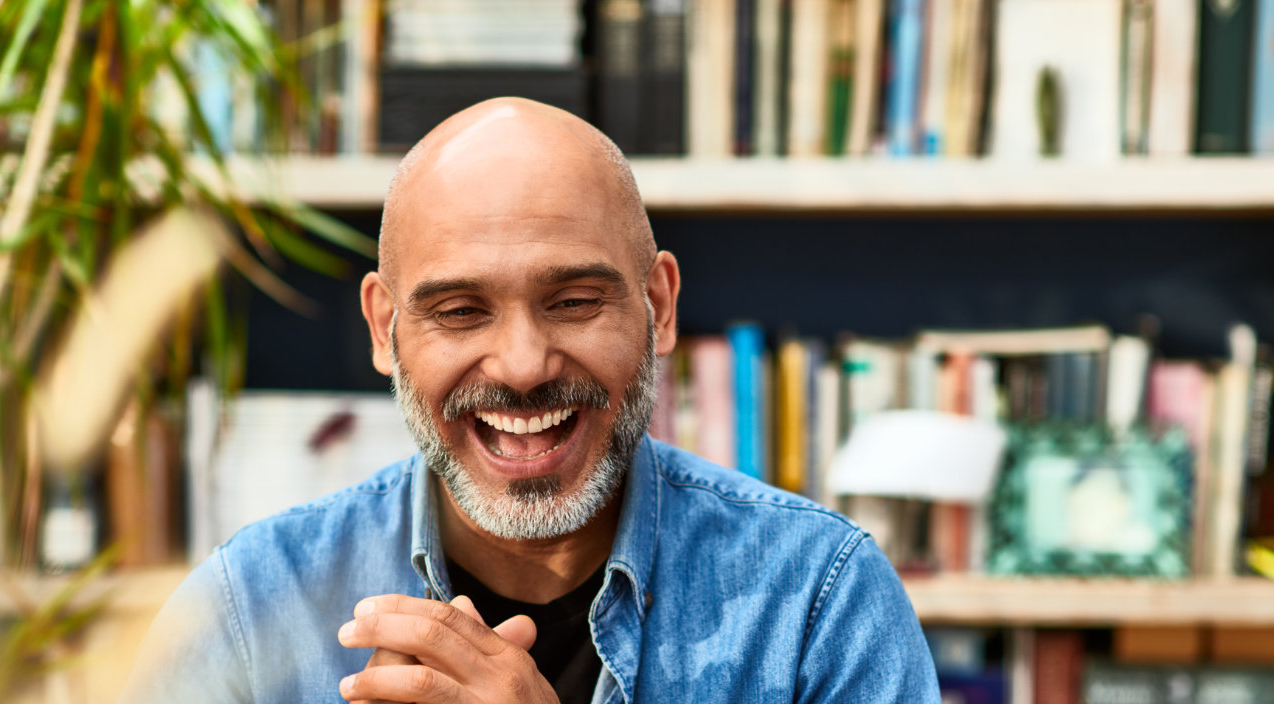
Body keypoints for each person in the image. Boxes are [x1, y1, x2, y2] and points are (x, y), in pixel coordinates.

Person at [120, 97, 939, 703]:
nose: (520, 365)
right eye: (460, 311)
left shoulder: (819, 602)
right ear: (384, 329)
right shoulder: (246, 614)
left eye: (575, 300)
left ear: (659, 306)